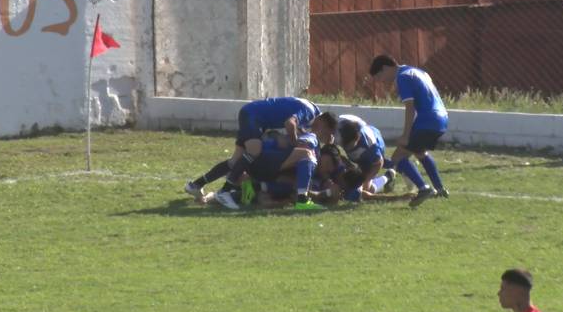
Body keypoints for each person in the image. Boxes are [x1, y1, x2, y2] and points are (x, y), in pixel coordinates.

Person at [185, 97, 337, 209]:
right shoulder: (310, 112)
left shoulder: (309, 110)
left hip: (251, 113)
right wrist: (294, 141)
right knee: (254, 150)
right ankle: (224, 191)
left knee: (235, 160)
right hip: (254, 117)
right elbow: (289, 124)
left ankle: (196, 185)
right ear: (323, 121)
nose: (320, 133)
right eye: (325, 131)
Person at [369, 54, 449, 206]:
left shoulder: (403, 77)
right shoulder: (417, 71)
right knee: (420, 153)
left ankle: (424, 188)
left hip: (427, 120)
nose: (381, 81)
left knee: (397, 158)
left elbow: (410, 107)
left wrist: (405, 135)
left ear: (386, 68)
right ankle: (440, 189)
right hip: (442, 118)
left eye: (380, 76)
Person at [336, 114, 397, 195]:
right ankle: (392, 166)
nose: (348, 148)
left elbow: (379, 163)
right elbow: (335, 152)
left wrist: (366, 180)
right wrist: (348, 165)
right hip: (362, 154)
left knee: (366, 189)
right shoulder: (339, 134)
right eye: (345, 145)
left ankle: (388, 176)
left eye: (350, 145)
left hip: (376, 147)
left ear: (357, 138)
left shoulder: (370, 146)